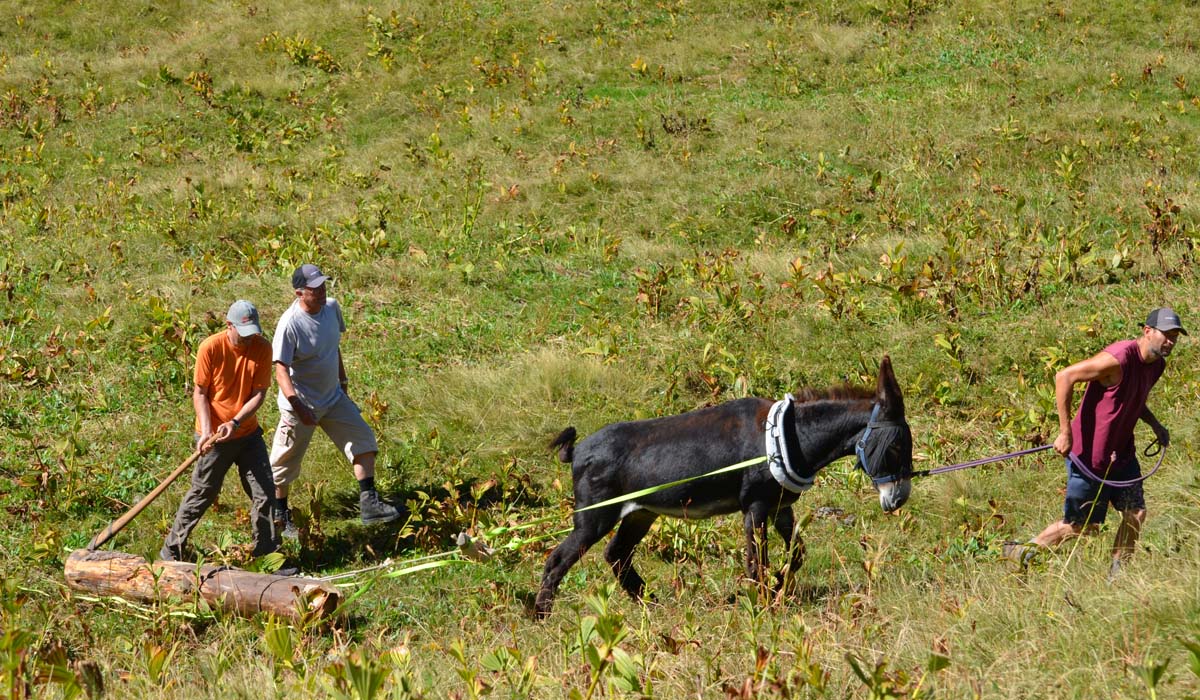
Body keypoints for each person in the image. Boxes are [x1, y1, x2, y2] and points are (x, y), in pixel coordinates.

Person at [1004, 307, 1185, 577]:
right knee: (1082, 526)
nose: (1170, 341)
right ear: (1147, 331)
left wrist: (1155, 425)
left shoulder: (1157, 365)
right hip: (1090, 456)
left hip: (1121, 455)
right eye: (1165, 335)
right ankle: (1021, 552)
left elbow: (1134, 397)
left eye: (1175, 336)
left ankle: (1118, 577)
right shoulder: (1118, 359)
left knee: (1135, 513)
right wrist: (1065, 433)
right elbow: (1064, 376)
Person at [161, 300, 296, 575]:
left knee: (266, 493)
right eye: (243, 333)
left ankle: (267, 556)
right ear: (229, 326)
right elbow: (200, 393)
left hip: (246, 433)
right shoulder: (211, 347)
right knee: (202, 493)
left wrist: (235, 422)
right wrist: (208, 430)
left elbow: (259, 394)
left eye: (253, 333)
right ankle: (171, 551)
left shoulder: (262, 347)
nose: (249, 340)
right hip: (214, 437)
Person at [269, 264, 400, 538]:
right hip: (301, 404)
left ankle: (370, 504)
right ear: (298, 292)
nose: (320, 291)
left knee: (363, 438)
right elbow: (280, 369)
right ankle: (279, 517)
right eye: (313, 288)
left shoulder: (331, 308)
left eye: (322, 285)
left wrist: (343, 383)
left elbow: (333, 346)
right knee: (284, 463)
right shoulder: (290, 323)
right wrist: (297, 405)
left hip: (333, 397)